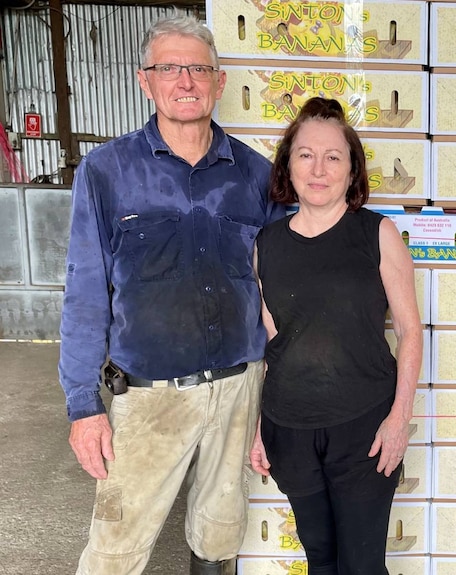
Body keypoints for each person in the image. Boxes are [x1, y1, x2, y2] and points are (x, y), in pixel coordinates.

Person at [58, 15, 283, 575]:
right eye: (169, 68)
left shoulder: (256, 176)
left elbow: (281, 289)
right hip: (150, 396)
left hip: (239, 388)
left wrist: (276, 399)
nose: (185, 80)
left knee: (219, 536)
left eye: (199, 68)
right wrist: (83, 406)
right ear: (145, 80)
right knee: (115, 549)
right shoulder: (107, 171)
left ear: (220, 81)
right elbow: (85, 289)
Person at [250, 97, 422, 575]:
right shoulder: (266, 245)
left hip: (364, 428)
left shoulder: (378, 234)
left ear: (352, 170)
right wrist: (259, 427)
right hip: (290, 429)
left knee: (361, 567)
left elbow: (410, 331)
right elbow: (271, 345)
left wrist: (399, 418)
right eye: (305, 154)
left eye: (333, 157)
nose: (319, 168)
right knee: (320, 562)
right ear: (289, 165)